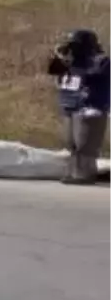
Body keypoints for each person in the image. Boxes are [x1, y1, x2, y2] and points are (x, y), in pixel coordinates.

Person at [46, 28, 110, 184]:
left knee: (85, 144)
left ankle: (85, 175)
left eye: (75, 45)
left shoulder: (102, 61)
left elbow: (95, 75)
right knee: (72, 143)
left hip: (91, 107)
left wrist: (74, 67)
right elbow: (53, 70)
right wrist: (59, 56)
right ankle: (74, 172)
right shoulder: (70, 61)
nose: (73, 49)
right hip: (71, 106)